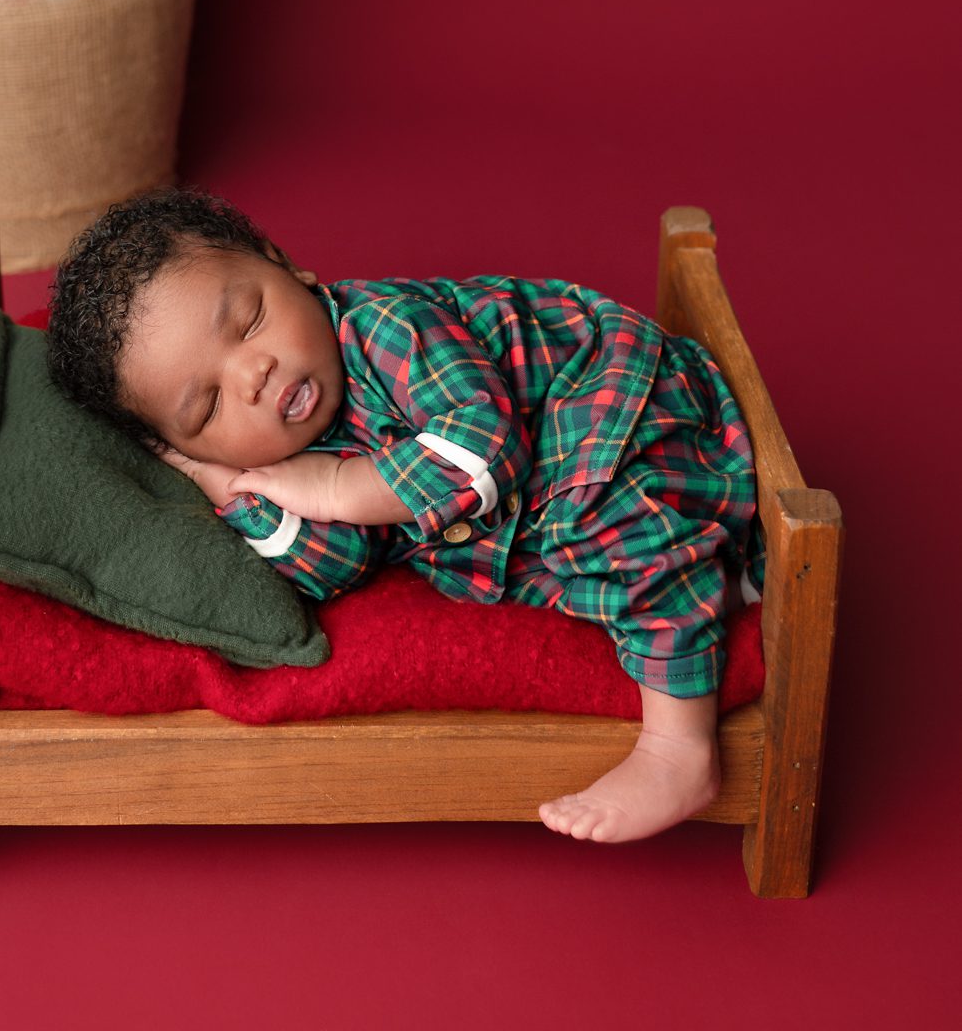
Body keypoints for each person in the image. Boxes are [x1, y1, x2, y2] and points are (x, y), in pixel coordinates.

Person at [47, 187, 764, 845]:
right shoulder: (282, 443)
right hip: (529, 497)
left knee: (593, 518)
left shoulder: (386, 328)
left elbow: (484, 445)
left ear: (287, 267)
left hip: (622, 401)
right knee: (553, 572)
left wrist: (334, 487)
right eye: (206, 407)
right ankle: (718, 574)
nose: (253, 373)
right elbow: (338, 566)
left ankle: (678, 750)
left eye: (249, 319)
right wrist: (238, 490)